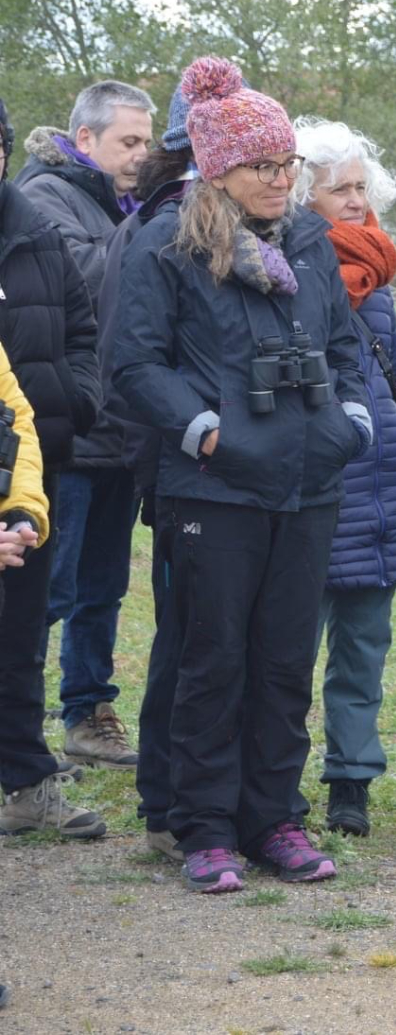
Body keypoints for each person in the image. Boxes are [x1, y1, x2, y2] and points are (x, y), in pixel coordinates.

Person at [111, 57, 372, 894]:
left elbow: (343, 346)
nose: (281, 180)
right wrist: (208, 434)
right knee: (212, 656)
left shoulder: (307, 241)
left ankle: (274, 818)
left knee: (285, 657)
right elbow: (134, 364)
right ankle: (206, 827)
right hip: (212, 488)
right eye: (264, 166)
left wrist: (351, 423)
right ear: (218, 168)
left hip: (308, 484)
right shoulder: (167, 243)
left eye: (289, 164)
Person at [294, 117, 396, 837]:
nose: (355, 200)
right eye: (337, 189)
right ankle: (276, 784)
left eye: (360, 185)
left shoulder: (376, 271)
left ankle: (352, 781)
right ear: (302, 195)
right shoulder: (287, 267)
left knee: (362, 649)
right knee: (288, 649)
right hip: (317, 488)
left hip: (383, 488)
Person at [17, 81, 155, 772]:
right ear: (85, 138)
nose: (141, 156)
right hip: (65, 432)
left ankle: (88, 711)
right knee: (48, 588)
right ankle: (20, 726)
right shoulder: (43, 198)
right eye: (128, 142)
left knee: (103, 584)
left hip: (121, 426)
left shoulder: (123, 203)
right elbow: (95, 279)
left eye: (146, 143)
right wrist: (155, 226)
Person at [101, 81, 206, 862]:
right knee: (183, 639)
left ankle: (211, 795)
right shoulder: (155, 230)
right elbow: (131, 362)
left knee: (214, 637)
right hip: (177, 470)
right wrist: (165, 459)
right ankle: (166, 805)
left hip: (220, 468)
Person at [0, 93, 105, 840]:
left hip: (31, 472)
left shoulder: (33, 230)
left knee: (21, 632)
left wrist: (72, 404)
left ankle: (27, 777)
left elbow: (84, 331)